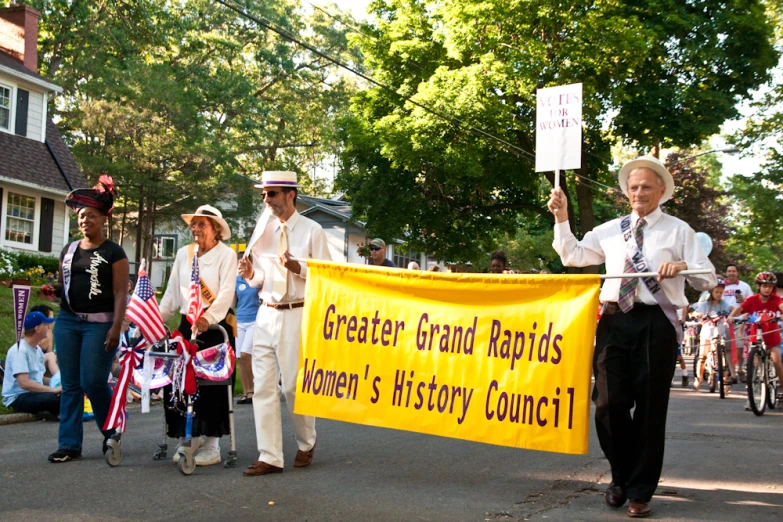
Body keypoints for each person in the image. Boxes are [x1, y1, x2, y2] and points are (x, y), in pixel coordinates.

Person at [547, 155, 715, 518]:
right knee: (608, 405)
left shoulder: (678, 230)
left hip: (656, 323)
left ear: (661, 192)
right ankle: (619, 476)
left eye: (646, 187)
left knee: (651, 409)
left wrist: (684, 266)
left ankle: (640, 491)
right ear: (627, 192)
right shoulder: (610, 229)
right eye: (633, 187)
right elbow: (573, 256)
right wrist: (562, 218)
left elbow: (708, 278)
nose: (639, 192)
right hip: (614, 321)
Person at [239, 171, 332, 476]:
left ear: (291, 195)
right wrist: (251, 273)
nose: (267, 200)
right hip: (266, 311)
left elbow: (327, 276)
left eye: (273, 194)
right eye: (264, 194)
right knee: (263, 387)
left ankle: (306, 442)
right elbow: (261, 280)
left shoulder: (312, 230)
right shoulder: (262, 229)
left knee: (292, 385)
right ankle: (270, 455)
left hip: (297, 312)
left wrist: (299, 267)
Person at [49, 176, 129, 463]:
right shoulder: (69, 251)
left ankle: (112, 431)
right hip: (69, 321)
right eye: (82, 216)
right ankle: (69, 445)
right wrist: (52, 289)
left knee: (93, 380)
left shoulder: (114, 252)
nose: (85, 220)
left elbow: (121, 292)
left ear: (102, 220)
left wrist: (116, 327)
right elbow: (63, 286)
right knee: (71, 384)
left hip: (101, 324)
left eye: (91, 216)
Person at [159, 204, 237, 466]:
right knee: (179, 383)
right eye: (193, 223)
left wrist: (207, 318)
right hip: (186, 325)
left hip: (213, 327)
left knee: (212, 385)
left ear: (216, 230)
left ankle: (213, 445)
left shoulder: (226, 255)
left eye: (201, 224)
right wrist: (153, 320)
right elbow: (171, 293)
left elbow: (225, 294)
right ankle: (188, 437)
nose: (195, 228)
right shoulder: (184, 254)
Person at [728, 271, 783, 405]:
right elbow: (740, 309)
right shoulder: (752, 300)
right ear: (758, 286)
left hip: (772, 337)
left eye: (770, 286)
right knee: (754, 363)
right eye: (764, 286)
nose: (767, 289)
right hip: (756, 336)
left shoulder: (775, 300)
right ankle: (753, 394)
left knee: (776, 360)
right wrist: (731, 316)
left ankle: (782, 386)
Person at [2, 312, 60, 415]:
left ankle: (59, 412)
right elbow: (24, 383)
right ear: (38, 329)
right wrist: (52, 390)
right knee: (52, 398)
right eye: (46, 324)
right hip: (18, 397)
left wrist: (59, 384)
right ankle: (59, 414)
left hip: (33, 393)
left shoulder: (37, 349)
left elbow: (38, 378)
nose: (48, 327)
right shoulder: (19, 350)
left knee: (67, 392)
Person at [692, 278, 734, 390]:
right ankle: (698, 379)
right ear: (711, 292)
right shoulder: (706, 304)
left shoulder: (724, 303)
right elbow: (697, 311)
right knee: (702, 356)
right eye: (716, 292)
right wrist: (697, 314)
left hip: (719, 330)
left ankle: (724, 380)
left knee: (722, 355)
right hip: (707, 330)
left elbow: (731, 308)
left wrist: (733, 313)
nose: (719, 294)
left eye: (721, 292)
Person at [235, 250, 261, 405]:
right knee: (240, 358)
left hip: (254, 320)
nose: (241, 265)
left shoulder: (257, 279)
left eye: (244, 262)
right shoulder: (236, 281)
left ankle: (251, 390)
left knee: (246, 354)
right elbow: (232, 301)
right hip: (239, 321)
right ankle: (245, 392)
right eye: (239, 263)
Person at [722, 264, 753, 380]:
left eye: (733, 271)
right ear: (726, 273)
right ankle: (732, 372)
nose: (731, 273)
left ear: (737, 273)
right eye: (729, 271)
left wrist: (743, 301)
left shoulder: (744, 286)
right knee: (728, 347)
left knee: (739, 345)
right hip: (724, 320)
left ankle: (740, 368)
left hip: (740, 320)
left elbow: (751, 303)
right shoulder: (721, 286)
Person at [29, 304, 60, 383]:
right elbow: (40, 346)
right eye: (51, 317)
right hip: (30, 365)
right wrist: (49, 330)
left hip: (40, 368)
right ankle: (58, 380)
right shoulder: (30, 330)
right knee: (52, 356)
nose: (53, 320)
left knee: (55, 358)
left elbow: (49, 351)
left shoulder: (49, 333)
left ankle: (59, 382)